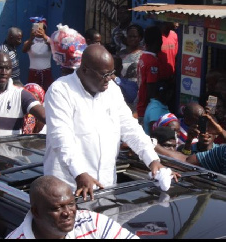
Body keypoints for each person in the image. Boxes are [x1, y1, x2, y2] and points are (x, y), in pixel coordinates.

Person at [43, 44, 180, 201]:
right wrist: (80, 173)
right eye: (104, 74)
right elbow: (61, 139)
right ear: (85, 70)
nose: (110, 78)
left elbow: (130, 128)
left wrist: (153, 160)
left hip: (106, 189)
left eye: (112, 73)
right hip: (69, 190)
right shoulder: (60, 91)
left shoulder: (112, 91)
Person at [6, 175, 139, 239]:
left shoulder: (93, 223)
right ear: (36, 211)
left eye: (71, 204)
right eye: (57, 208)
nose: (67, 213)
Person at [0, 50, 46, 137]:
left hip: (11, 150)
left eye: (8, 68)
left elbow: (46, 117)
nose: (4, 72)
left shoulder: (21, 95)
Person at [137, 25, 163, 123]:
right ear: (157, 42)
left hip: (141, 107)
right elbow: (151, 90)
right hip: (146, 110)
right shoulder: (152, 62)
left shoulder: (143, 57)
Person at [22, 17, 53, 92]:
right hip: (33, 74)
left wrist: (44, 36)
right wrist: (31, 38)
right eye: (36, 27)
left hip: (46, 74)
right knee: (32, 94)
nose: (38, 30)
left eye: (40, 28)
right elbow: (24, 50)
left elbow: (54, 46)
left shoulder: (49, 41)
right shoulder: (29, 42)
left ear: (44, 29)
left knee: (47, 94)